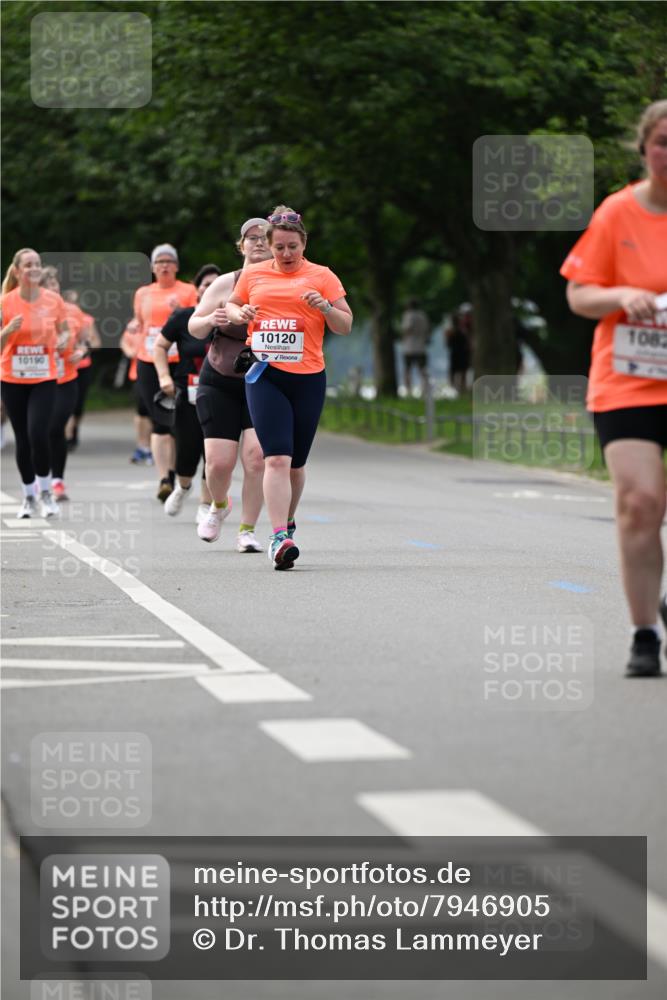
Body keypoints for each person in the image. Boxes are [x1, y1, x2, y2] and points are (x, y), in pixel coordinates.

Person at [561, 99, 667, 677]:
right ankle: (645, 632)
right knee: (640, 504)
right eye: (664, 142)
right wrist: (622, 297)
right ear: (645, 147)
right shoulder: (618, 213)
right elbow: (579, 294)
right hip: (628, 378)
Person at [224, 206, 353, 569]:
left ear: (304, 243)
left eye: (292, 247)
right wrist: (241, 314)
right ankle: (279, 536)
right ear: (269, 244)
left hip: (309, 377)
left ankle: (288, 519)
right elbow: (232, 307)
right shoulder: (254, 274)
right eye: (279, 247)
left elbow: (344, 324)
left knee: (296, 463)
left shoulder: (322, 275)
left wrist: (326, 307)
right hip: (265, 374)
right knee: (276, 458)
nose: (285, 254)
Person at [188, 219, 273, 551]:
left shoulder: (283, 285)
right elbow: (195, 326)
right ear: (241, 246)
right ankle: (219, 505)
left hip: (264, 380)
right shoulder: (225, 284)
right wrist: (211, 319)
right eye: (251, 238)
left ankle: (247, 531)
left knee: (256, 458)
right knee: (219, 463)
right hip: (220, 380)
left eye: (265, 238)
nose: (258, 243)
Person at [0, 248, 70, 518]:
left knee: (38, 433)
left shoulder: (53, 300)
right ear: (17, 271)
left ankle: (45, 491)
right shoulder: (6, 302)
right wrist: (7, 330)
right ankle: (28, 496)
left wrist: (62, 341)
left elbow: (63, 332)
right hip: (12, 378)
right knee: (23, 439)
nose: (33, 269)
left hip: (44, 376)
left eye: (37, 264)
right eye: (28, 265)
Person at [153, 264, 220, 522]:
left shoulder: (232, 320)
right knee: (187, 451)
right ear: (198, 289)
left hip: (220, 393)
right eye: (206, 284)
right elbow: (160, 347)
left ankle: (206, 504)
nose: (210, 289)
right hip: (187, 393)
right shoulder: (184, 317)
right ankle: (182, 487)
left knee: (214, 453)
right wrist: (163, 377)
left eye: (216, 284)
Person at [134, 244, 198, 501]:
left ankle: (177, 470)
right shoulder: (142, 293)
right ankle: (164, 478)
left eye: (169, 261)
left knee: (179, 421)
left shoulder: (188, 291)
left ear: (177, 266)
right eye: (159, 261)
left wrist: (177, 313)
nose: (164, 265)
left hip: (179, 361)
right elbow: (141, 324)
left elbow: (196, 323)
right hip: (149, 359)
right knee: (159, 418)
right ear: (152, 267)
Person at [39, 268, 88, 501]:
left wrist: (80, 352)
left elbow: (84, 341)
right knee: (38, 431)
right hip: (38, 379)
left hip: (66, 379)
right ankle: (41, 478)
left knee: (56, 427)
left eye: (56, 287)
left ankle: (57, 481)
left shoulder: (73, 311)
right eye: (49, 287)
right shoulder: (33, 313)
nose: (54, 291)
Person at [63, 288, 101, 451]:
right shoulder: (58, 318)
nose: (73, 305)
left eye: (76, 301)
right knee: (65, 403)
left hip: (82, 367)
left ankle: (74, 429)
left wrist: (83, 347)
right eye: (70, 301)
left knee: (78, 405)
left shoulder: (86, 320)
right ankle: (65, 435)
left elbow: (97, 343)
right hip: (63, 368)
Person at [120, 317, 153, 464]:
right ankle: (142, 446)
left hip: (161, 372)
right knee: (141, 411)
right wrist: (129, 351)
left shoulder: (162, 319)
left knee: (156, 412)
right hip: (138, 373)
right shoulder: (134, 323)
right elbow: (124, 341)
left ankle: (152, 448)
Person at [400, 298, 431, 394]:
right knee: (423, 370)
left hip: (409, 346)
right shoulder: (423, 316)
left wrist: (403, 337)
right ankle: (425, 389)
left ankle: (408, 390)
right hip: (421, 346)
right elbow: (427, 330)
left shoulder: (408, 315)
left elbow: (407, 328)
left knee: (407, 370)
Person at [444, 305, 472, 393]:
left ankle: (455, 388)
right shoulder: (462, 330)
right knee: (461, 372)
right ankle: (461, 388)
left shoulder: (451, 331)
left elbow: (447, 343)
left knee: (455, 372)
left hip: (456, 352)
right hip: (461, 352)